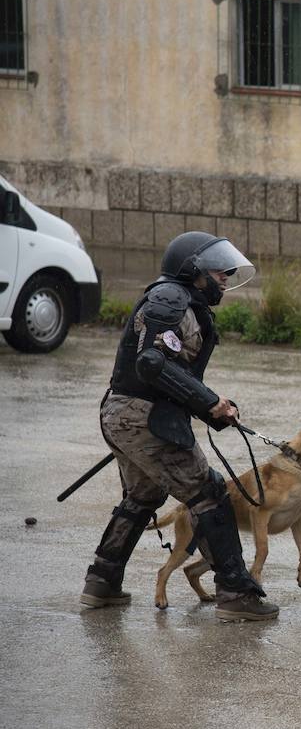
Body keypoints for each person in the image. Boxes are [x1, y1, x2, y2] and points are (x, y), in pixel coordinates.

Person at [81, 231, 277, 621]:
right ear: (193, 269)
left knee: (143, 496)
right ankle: (236, 594)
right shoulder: (170, 299)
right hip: (142, 417)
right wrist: (208, 402)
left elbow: (172, 373)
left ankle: (101, 582)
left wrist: (212, 409)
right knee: (210, 493)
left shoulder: (181, 301)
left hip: (133, 414)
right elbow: (152, 364)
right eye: (220, 271)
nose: (226, 276)